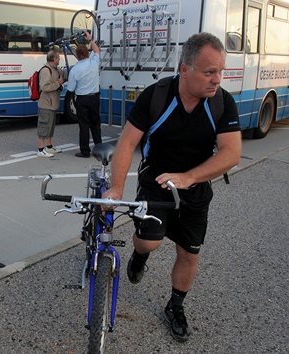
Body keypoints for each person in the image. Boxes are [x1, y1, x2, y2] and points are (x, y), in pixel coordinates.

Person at [102, 32, 242, 342]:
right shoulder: (156, 96)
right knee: (149, 242)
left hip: (195, 188)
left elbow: (231, 153)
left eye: (221, 71)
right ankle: (139, 257)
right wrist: (116, 187)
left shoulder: (221, 102)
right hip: (156, 182)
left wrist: (189, 177)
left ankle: (175, 306)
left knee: (189, 254)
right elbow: (127, 143)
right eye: (209, 72)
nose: (217, 79)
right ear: (184, 69)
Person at [67, 31, 101, 158]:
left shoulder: (75, 70)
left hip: (81, 99)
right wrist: (90, 40)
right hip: (94, 97)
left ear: (77, 55)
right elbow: (97, 51)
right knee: (95, 124)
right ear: (87, 53)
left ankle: (85, 151)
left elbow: (71, 89)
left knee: (84, 125)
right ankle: (99, 149)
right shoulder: (94, 63)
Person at [36, 49, 66, 158]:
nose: (59, 59)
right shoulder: (46, 70)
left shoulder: (55, 69)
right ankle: (40, 149)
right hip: (46, 104)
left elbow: (64, 74)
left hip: (52, 103)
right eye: (58, 57)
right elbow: (45, 87)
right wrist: (58, 83)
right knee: (44, 126)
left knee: (50, 126)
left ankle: (49, 146)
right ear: (54, 59)